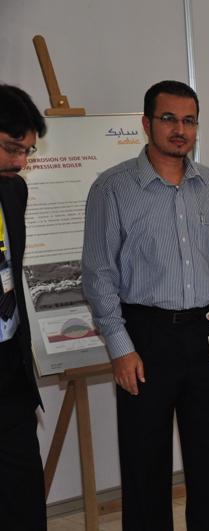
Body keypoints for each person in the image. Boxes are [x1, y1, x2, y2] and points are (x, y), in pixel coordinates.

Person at [82, 80, 209, 530]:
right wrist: (121, 347)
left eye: (189, 120)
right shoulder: (113, 188)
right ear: (146, 123)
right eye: (169, 118)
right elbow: (98, 274)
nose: (180, 130)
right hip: (146, 339)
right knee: (145, 466)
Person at [0, 84, 47, 531]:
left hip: (10, 368)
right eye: (12, 148)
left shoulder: (14, 192)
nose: (20, 162)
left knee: (24, 496)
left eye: (27, 151)